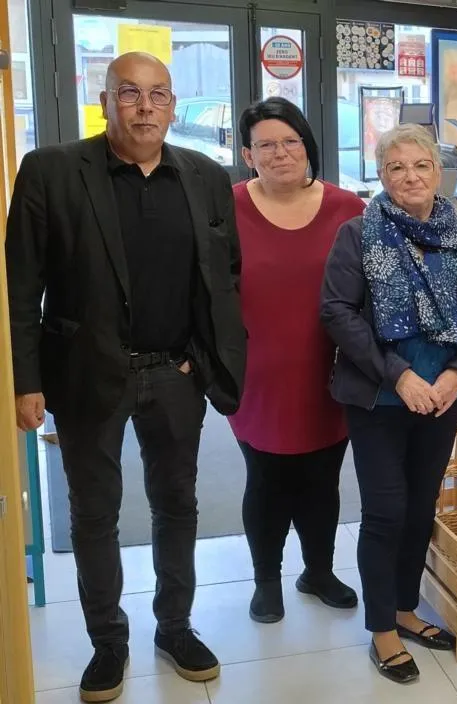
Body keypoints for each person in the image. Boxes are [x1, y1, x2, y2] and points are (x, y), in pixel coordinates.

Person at [6, 52, 245, 702]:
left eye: (158, 95)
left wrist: (202, 356)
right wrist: (26, 380)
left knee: (177, 506)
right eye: (130, 94)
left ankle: (176, 627)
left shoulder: (205, 176)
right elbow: (21, 287)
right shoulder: (52, 171)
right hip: (86, 372)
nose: (145, 108)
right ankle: (108, 643)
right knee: (94, 514)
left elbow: (225, 273)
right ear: (106, 101)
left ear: (173, 105)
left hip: (175, 373)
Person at [320, 123, 457, 684]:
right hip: (379, 396)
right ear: (381, 175)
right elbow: (336, 312)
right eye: (396, 167)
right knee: (387, 510)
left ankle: (404, 608)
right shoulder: (358, 234)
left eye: (421, 165)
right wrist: (398, 376)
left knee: (422, 506)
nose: (410, 177)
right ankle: (382, 628)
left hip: (443, 395)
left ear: (438, 172)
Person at [229, 98, 366, 624]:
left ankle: (318, 571)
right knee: (266, 480)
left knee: (321, 478)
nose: (280, 152)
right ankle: (266, 580)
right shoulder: (226, 207)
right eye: (266, 144)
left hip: (332, 370)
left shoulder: (348, 208)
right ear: (248, 154)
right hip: (255, 374)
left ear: (308, 147)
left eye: (291, 141)